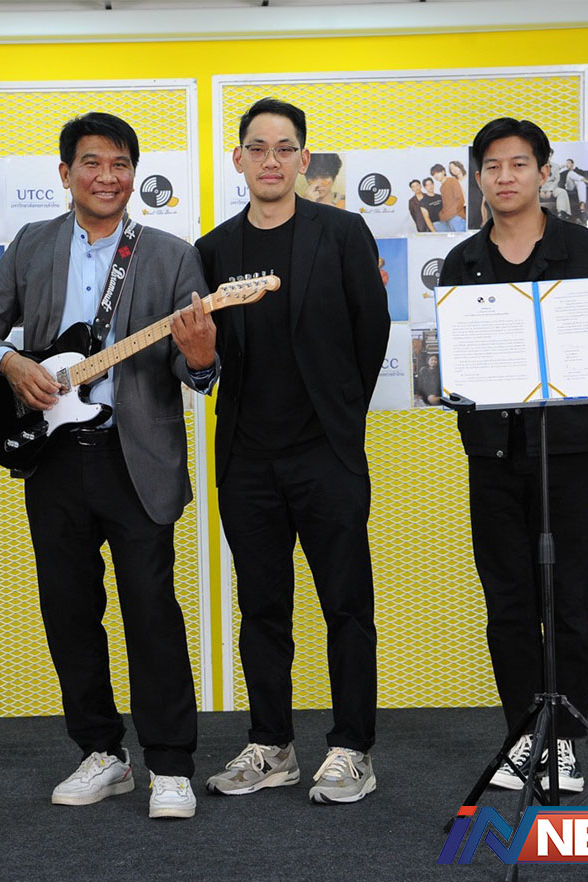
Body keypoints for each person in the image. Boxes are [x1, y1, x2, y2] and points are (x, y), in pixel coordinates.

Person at [0, 112, 216, 820]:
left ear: (134, 174)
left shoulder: (170, 255)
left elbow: (195, 370)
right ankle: (101, 752)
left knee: (151, 612)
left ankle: (170, 764)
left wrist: (200, 358)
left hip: (137, 459)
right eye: (93, 163)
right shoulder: (33, 244)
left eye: (121, 164)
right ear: (65, 172)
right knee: (69, 612)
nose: (108, 176)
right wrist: (11, 363)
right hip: (53, 459)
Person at [195, 98, 389, 805]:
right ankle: (271, 745)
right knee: (261, 609)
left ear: (304, 159)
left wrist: (338, 418)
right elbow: (206, 356)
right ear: (238, 159)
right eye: (257, 147)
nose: (270, 160)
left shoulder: (341, 232)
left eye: (284, 148)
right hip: (246, 458)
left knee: (346, 605)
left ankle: (352, 749)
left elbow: (371, 333)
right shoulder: (213, 250)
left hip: (325, 454)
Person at [440, 118, 588, 795]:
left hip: (567, 454)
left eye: (519, 163)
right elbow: (454, 359)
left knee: (570, 595)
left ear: (543, 172)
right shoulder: (463, 261)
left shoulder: (581, 248)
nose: (506, 177)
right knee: (508, 597)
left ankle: (565, 742)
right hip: (493, 454)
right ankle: (525, 734)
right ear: (479, 177)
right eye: (492, 166)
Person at [434, 163, 466, 232]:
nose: (436, 176)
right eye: (434, 174)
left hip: (456, 217)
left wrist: (452, 214)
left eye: (438, 173)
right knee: (435, 225)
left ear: (443, 172)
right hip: (448, 219)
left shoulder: (452, 180)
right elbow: (446, 204)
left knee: (460, 237)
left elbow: (460, 199)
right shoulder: (441, 187)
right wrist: (442, 215)